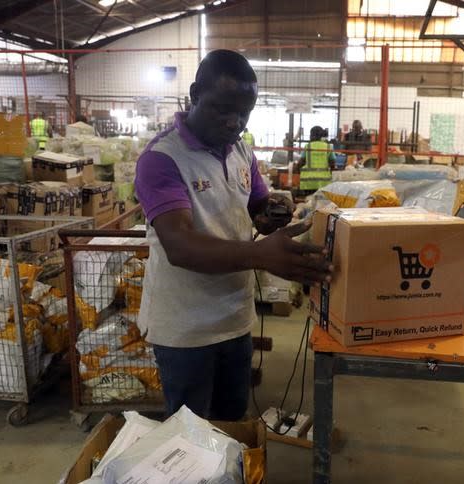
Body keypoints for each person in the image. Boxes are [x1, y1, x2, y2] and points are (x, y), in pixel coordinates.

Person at [134, 50, 333, 420]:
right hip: (185, 329)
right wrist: (262, 255)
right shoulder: (162, 160)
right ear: (194, 95)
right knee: (191, 436)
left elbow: (256, 206)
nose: (234, 122)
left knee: (231, 424)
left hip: (235, 320)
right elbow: (180, 246)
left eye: (244, 113)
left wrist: (272, 214)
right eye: (222, 109)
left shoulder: (241, 149)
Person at [298, 125, 335, 192]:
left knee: (308, 202)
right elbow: (333, 164)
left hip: (308, 182)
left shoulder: (308, 146)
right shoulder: (328, 146)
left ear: (311, 135)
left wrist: (296, 169)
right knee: (322, 202)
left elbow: (300, 163)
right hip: (324, 182)